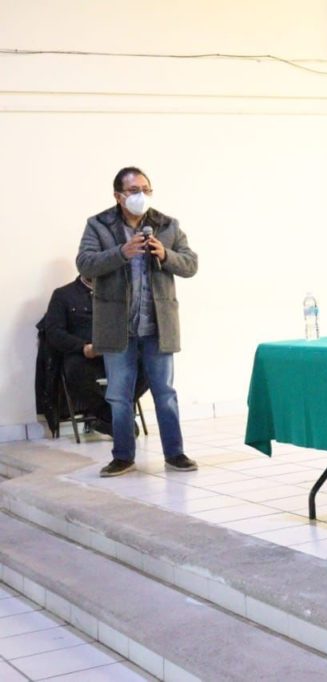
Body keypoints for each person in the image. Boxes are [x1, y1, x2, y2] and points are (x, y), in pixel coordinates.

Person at [76, 167, 199, 477]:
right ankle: (123, 456)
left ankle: (175, 454)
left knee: (165, 394)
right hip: (117, 327)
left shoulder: (167, 225)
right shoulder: (98, 225)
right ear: (118, 196)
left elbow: (191, 264)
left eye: (146, 189)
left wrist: (165, 254)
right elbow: (85, 263)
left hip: (158, 326)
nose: (141, 195)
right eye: (133, 190)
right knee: (119, 395)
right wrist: (121, 253)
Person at [39, 276, 149, 436]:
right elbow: (54, 332)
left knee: (149, 365)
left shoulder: (118, 292)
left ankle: (107, 416)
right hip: (83, 354)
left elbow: (132, 323)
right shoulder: (63, 294)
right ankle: (113, 416)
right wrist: (83, 347)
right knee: (75, 370)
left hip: (115, 351)